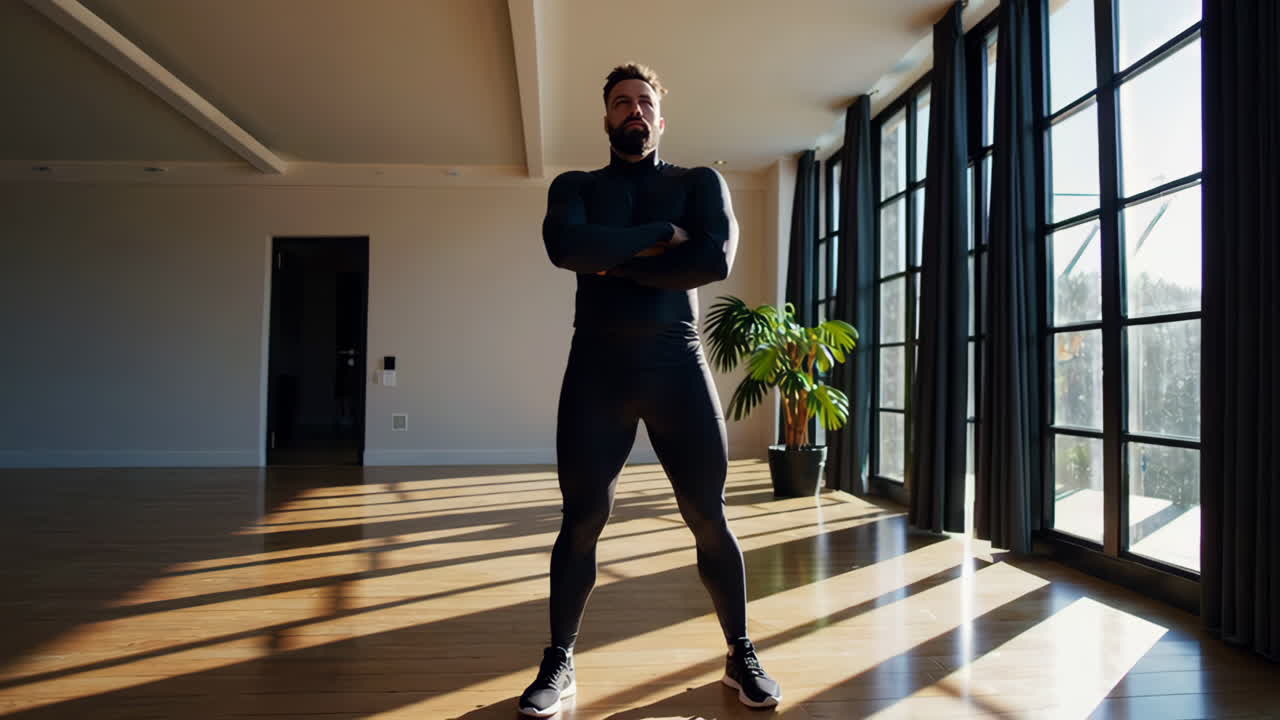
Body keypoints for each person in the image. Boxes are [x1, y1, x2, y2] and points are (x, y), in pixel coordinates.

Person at [517, 63, 781, 717]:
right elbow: (565, 248)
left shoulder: (699, 182)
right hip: (596, 371)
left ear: (660, 119)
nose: (632, 111)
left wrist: (610, 259)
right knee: (582, 522)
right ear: (606, 118)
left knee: (708, 516)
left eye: (643, 102)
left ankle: (740, 652)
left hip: (677, 369)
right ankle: (559, 661)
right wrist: (662, 238)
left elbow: (713, 261)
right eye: (620, 102)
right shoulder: (575, 185)